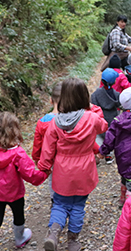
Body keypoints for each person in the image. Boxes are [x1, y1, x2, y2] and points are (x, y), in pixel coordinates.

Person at [37, 78, 108, 251]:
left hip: (62, 171)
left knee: (60, 203)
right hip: (84, 171)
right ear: (84, 97)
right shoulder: (91, 118)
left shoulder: (55, 122)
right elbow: (104, 126)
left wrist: (44, 167)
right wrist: (90, 110)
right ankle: (73, 240)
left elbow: (47, 150)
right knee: (78, 205)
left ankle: (53, 233)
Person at [0, 112, 49, 250]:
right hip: (15, 193)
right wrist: (44, 174)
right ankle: (19, 238)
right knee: (18, 215)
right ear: (14, 130)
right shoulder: (17, 153)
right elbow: (30, 174)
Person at [91, 69, 121, 164]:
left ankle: (97, 156)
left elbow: (93, 107)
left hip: (100, 119)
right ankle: (108, 155)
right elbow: (120, 105)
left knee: (98, 137)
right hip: (112, 119)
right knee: (110, 137)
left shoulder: (96, 94)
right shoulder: (116, 95)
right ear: (114, 82)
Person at [32, 82, 63, 165]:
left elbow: (37, 143)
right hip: (67, 159)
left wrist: (37, 158)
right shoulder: (72, 119)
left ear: (51, 100)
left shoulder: (42, 121)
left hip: (50, 160)